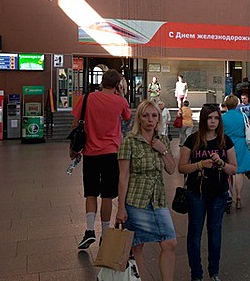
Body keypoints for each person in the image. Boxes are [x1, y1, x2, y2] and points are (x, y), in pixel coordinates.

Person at [70, 69, 132, 249]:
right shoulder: (120, 101)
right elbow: (128, 119)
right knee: (107, 194)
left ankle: (90, 230)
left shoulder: (87, 98)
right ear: (118, 85)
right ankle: (105, 234)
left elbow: (75, 124)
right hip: (112, 153)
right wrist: (121, 96)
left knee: (90, 192)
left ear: (102, 82)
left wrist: (73, 148)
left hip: (90, 153)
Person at [115, 100, 176, 280]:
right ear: (139, 119)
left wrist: (163, 150)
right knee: (137, 247)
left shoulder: (162, 140)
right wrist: (120, 207)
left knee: (170, 243)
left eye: (154, 116)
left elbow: (171, 169)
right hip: (136, 201)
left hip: (158, 200)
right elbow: (123, 176)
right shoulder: (129, 142)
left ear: (159, 119)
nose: (150, 120)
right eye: (145, 115)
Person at [178, 103, 238, 281]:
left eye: (216, 118)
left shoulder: (225, 141)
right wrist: (199, 165)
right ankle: (196, 274)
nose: (213, 122)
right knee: (195, 233)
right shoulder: (193, 140)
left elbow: (233, 169)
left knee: (215, 233)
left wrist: (221, 163)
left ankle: (214, 272)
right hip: (196, 193)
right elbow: (181, 168)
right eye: (210, 118)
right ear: (203, 119)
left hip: (218, 193)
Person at [222, 95, 250, 211]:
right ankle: (239, 195)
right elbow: (248, 128)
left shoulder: (223, 117)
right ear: (237, 104)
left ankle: (229, 195)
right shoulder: (243, 116)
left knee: (227, 170)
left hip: (227, 144)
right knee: (239, 171)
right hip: (240, 143)